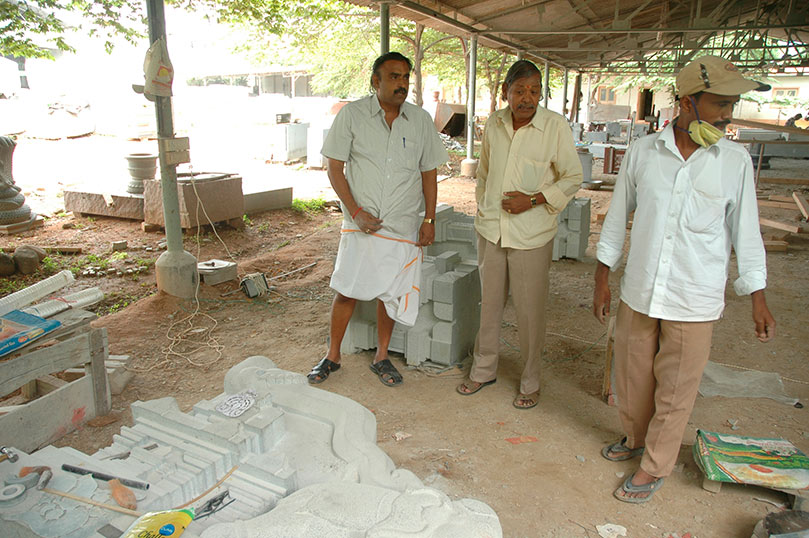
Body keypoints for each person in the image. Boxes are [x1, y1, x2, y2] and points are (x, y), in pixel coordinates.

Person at [593, 55, 776, 503]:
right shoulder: (644, 152)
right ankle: (635, 439)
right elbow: (617, 219)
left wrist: (758, 295)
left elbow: (746, 233)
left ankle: (655, 465)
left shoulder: (732, 161)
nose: (727, 113)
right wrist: (602, 277)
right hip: (640, 290)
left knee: (675, 390)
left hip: (694, 297)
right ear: (687, 102)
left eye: (732, 103)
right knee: (633, 380)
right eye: (719, 103)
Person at [307, 52, 449, 387]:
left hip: (401, 225)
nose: (401, 84)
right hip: (360, 225)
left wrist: (429, 219)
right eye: (394, 77)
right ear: (376, 81)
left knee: (391, 291)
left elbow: (429, 173)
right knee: (346, 289)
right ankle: (333, 355)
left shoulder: (420, 120)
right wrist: (355, 212)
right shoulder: (353, 116)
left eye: (405, 78)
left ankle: (382, 356)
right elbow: (334, 168)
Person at [456, 60, 583, 409]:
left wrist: (533, 200)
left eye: (534, 91)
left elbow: (572, 177)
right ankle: (484, 370)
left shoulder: (554, 126)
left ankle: (530, 380)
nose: (527, 98)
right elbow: (483, 172)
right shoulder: (495, 124)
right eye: (520, 91)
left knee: (529, 312)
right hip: (492, 230)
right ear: (505, 93)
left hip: (532, 234)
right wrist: (484, 205)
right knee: (489, 305)